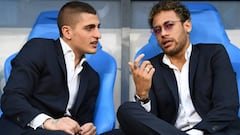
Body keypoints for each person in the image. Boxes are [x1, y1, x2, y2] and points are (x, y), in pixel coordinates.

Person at [117, 0, 240, 135]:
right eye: (157, 30)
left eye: (169, 25)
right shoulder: (152, 67)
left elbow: (227, 106)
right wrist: (143, 96)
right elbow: (150, 122)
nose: (163, 34)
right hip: (169, 131)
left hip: (210, 131)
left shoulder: (213, 54)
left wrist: (197, 132)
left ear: (187, 25)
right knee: (125, 110)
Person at [0, 1, 101, 135]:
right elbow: (11, 99)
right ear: (67, 32)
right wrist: (49, 122)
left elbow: (83, 120)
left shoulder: (92, 77)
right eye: (89, 28)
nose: (98, 35)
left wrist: (87, 128)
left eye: (98, 27)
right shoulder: (38, 49)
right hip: (25, 128)